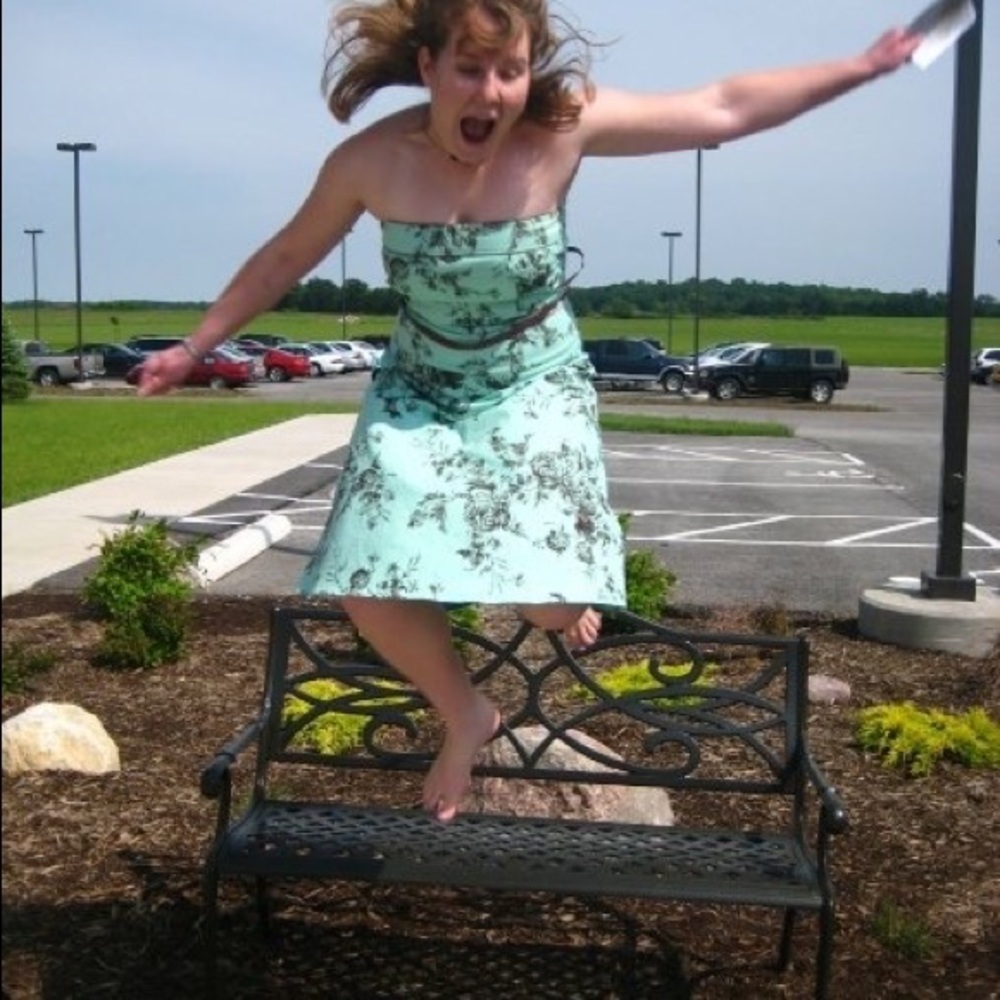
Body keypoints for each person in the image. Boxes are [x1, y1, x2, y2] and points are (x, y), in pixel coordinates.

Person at [138, 0, 920, 822]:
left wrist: (860, 68)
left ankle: (559, 596)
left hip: (533, 381)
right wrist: (197, 344)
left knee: (547, 603)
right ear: (430, 68)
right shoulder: (369, 162)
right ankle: (466, 713)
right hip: (421, 390)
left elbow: (721, 105)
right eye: (471, 70)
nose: (494, 93)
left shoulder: (562, 126)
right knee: (361, 580)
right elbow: (287, 255)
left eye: (510, 71)